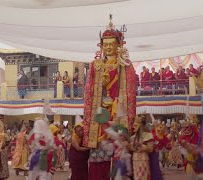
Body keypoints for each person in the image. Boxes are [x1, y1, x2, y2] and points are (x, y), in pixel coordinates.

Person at [83, 16, 136, 180]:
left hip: (116, 112)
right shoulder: (95, 65)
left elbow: (130, 92)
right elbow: (89, 91)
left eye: (111, 44)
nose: (108, 47)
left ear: (119, 45)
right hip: (100, 114)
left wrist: (118, 105)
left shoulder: (125, 65)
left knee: (117, 149)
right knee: (99, 153)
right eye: (105, 44)